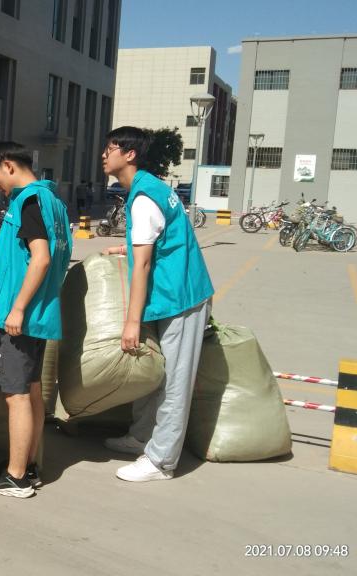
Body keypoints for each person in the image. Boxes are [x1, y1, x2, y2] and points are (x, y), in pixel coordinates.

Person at [100, 126, 214, 482]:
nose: (104, 155)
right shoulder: (150, 187)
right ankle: (142, 437)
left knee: (174, 380)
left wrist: (131, 322)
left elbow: (145, 264)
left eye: (110, 148)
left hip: (181, 296)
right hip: (170, 294)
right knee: (156, 371)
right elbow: (157, 240)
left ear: (129, 154)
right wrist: (125, 248)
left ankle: (161, 461)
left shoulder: (144, 197)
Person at [0, 141, 72, 498]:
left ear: (8, 166)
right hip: (39, 314)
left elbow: (40, 258)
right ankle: (26, 465)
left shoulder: (29, 201)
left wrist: (18, 308)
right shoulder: (53, 202)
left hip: (19, 318)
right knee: (31, 391)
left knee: (16, 396)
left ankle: (15, 477)